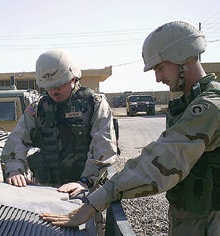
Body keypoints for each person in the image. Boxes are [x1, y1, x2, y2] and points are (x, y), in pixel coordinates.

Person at [40, 21, 220, 235]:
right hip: (194, 216)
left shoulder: (209, 106)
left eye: (160, 67)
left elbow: (161, 162)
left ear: (183, 58)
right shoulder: (190, 102)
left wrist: (95, 201)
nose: (158, 77)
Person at [1, 49, 118, 235]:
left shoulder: (94, 103)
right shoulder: (38, 108)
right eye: (49, 86)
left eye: (59, 84)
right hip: (49, 193)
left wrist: (85, 181)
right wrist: (15, 168)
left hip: (85, 196)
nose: (54, 91)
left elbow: (103, 146)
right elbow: (18, 139)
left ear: (73, 78)